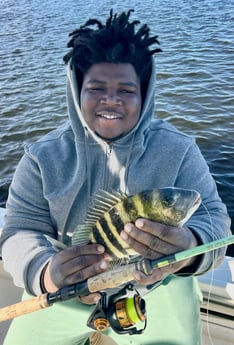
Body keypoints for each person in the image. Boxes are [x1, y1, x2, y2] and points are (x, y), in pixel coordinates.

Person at [0, 9, 231, 345]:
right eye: (97, 88)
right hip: (65, 293)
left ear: (145, 94)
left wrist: (192, 248)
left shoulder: (179, 150)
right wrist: (47, 273)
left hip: (158, 288)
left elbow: (215, 220)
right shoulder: (41, 157)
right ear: (77, 90)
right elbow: (20, 230)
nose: (111, 100)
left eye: (126, 90)